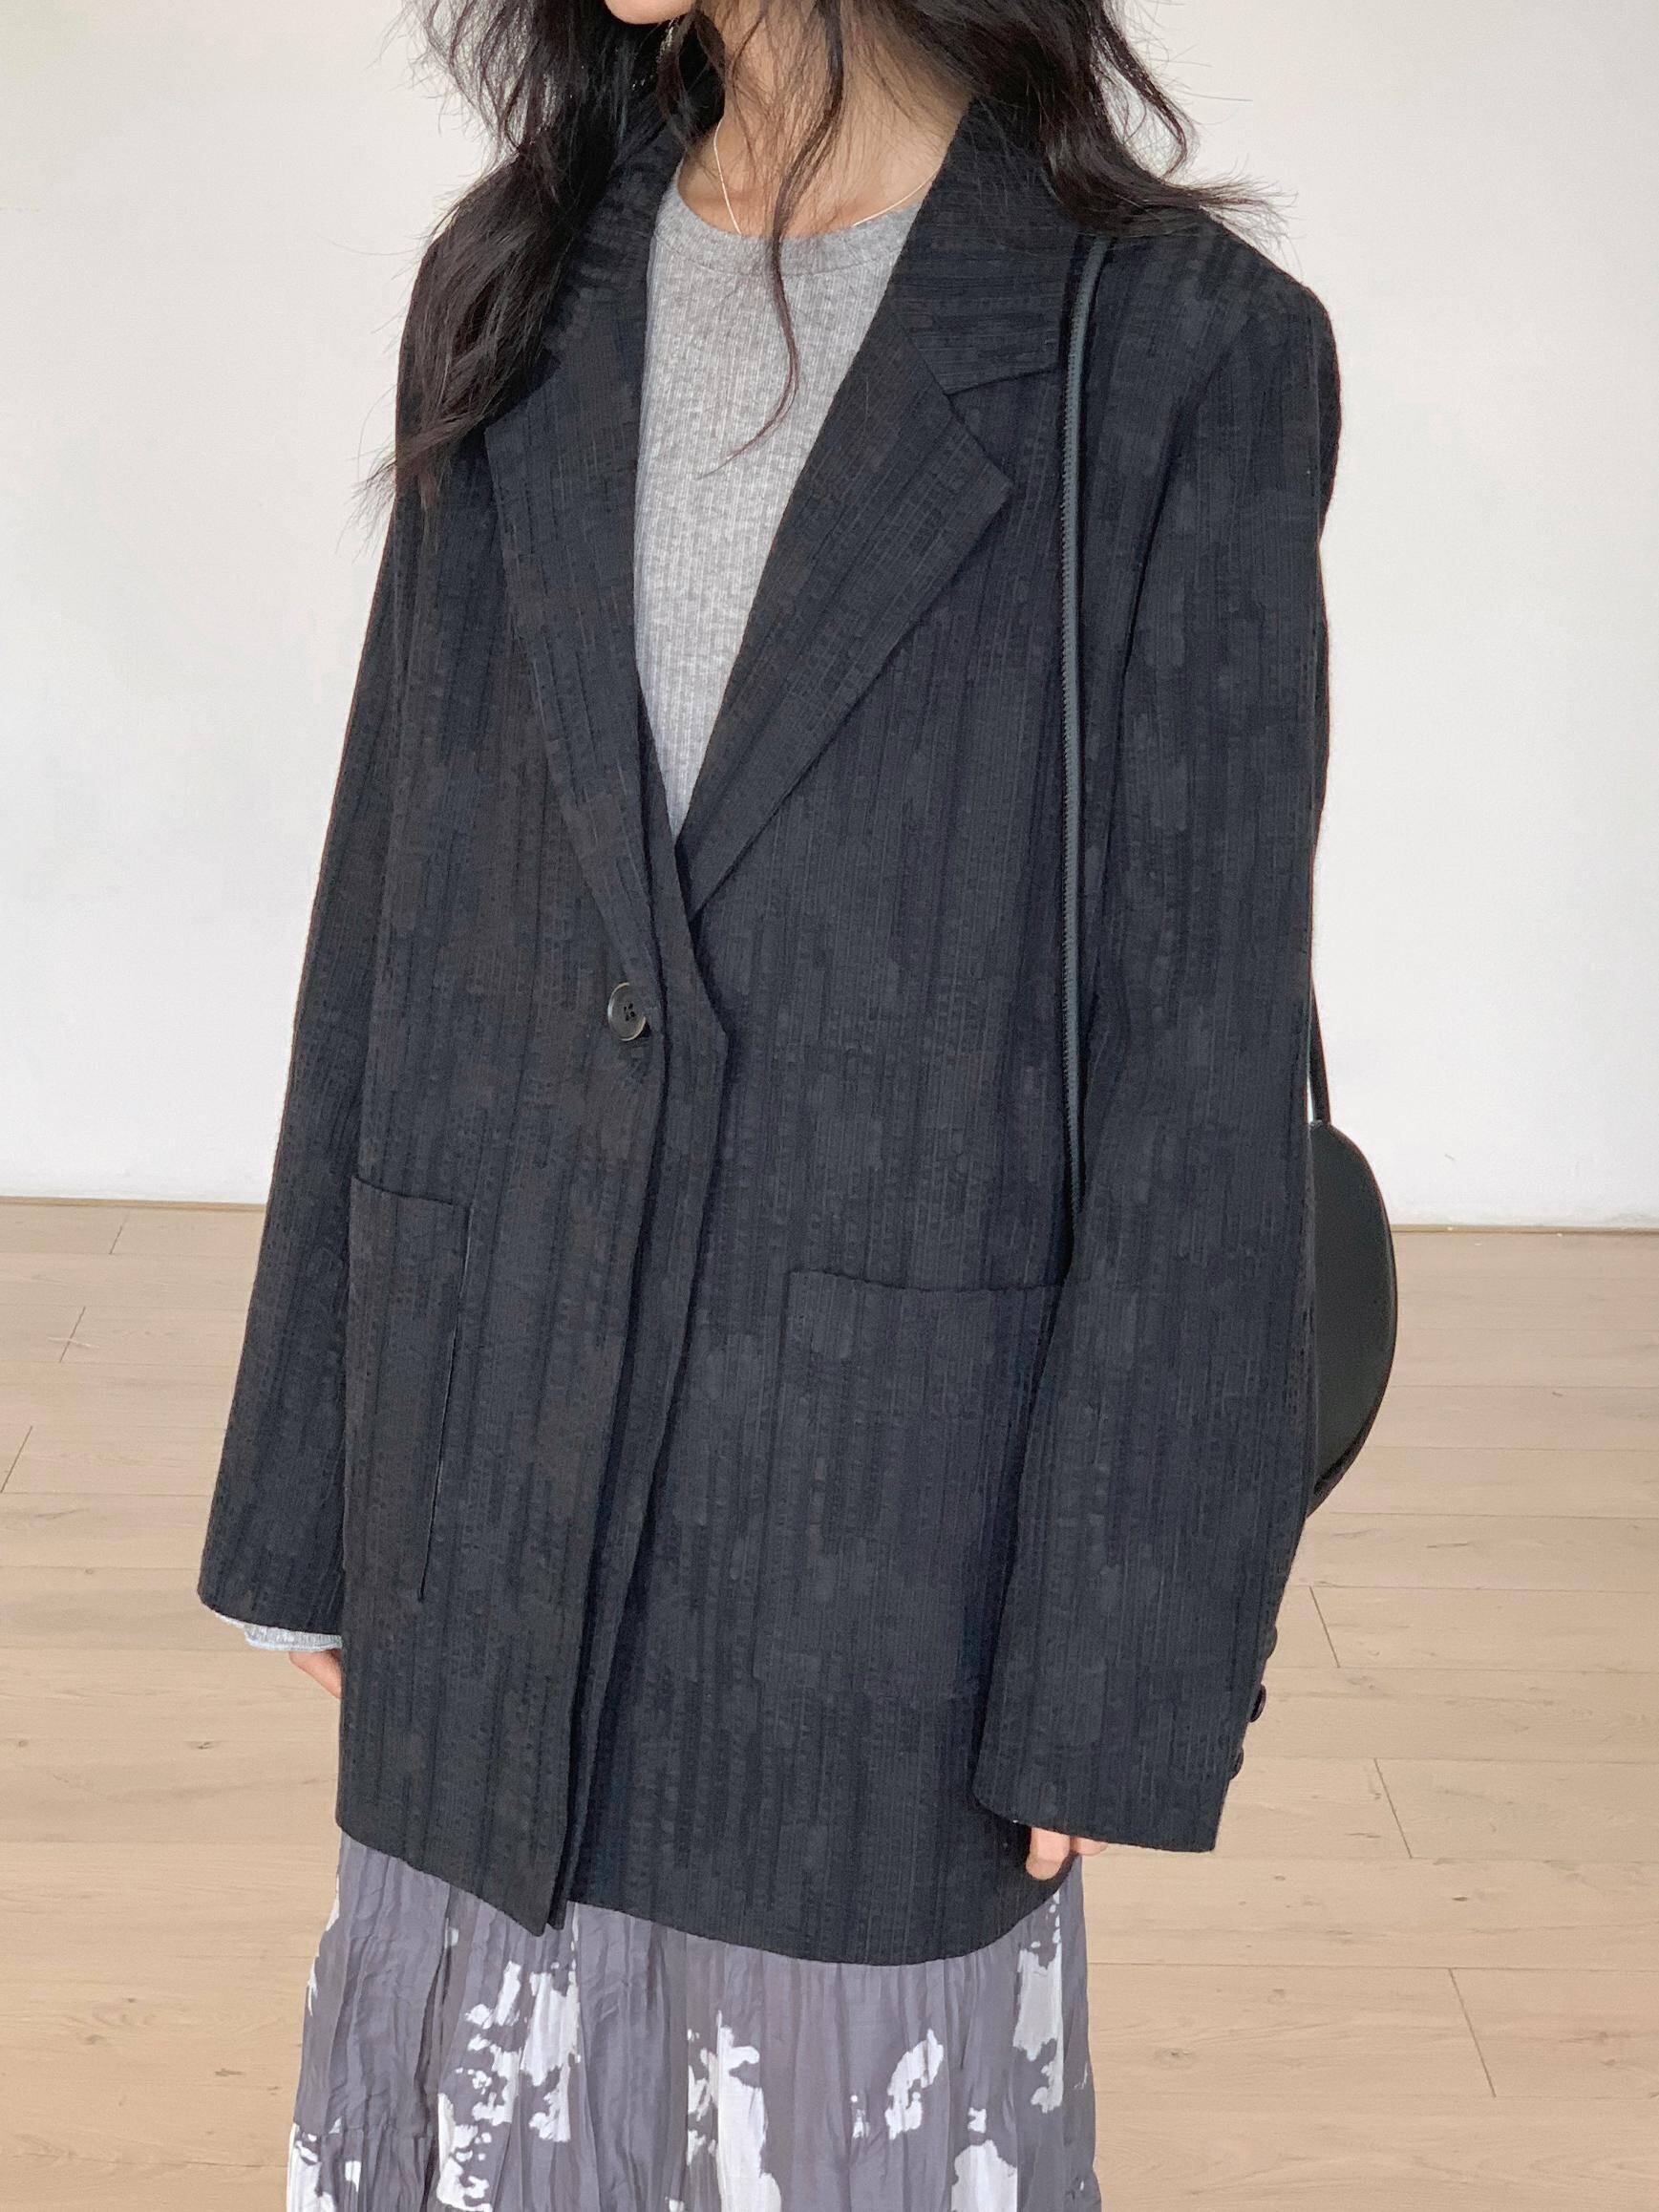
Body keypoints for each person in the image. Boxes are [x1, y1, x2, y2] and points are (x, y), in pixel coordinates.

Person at [197, 0, 1339, 2201]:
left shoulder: (1172, 347)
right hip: (485, 1459)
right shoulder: (519, 276)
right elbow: (396, 899)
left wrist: (1117, 1653)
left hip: (876, 1524)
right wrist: (308, 1498)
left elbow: (1197, 1054)